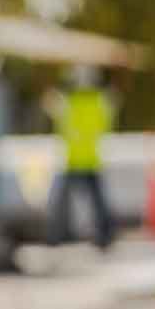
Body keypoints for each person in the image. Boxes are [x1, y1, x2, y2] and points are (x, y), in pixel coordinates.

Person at [47, 64, 114, 249]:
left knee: (64, 204)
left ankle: (56, 236)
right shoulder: (99, 103)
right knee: (98, 204)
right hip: (89, 159)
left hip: (75, 160)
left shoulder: (69, 103)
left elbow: (61, 128)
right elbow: (105, 126)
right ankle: (104, 237)